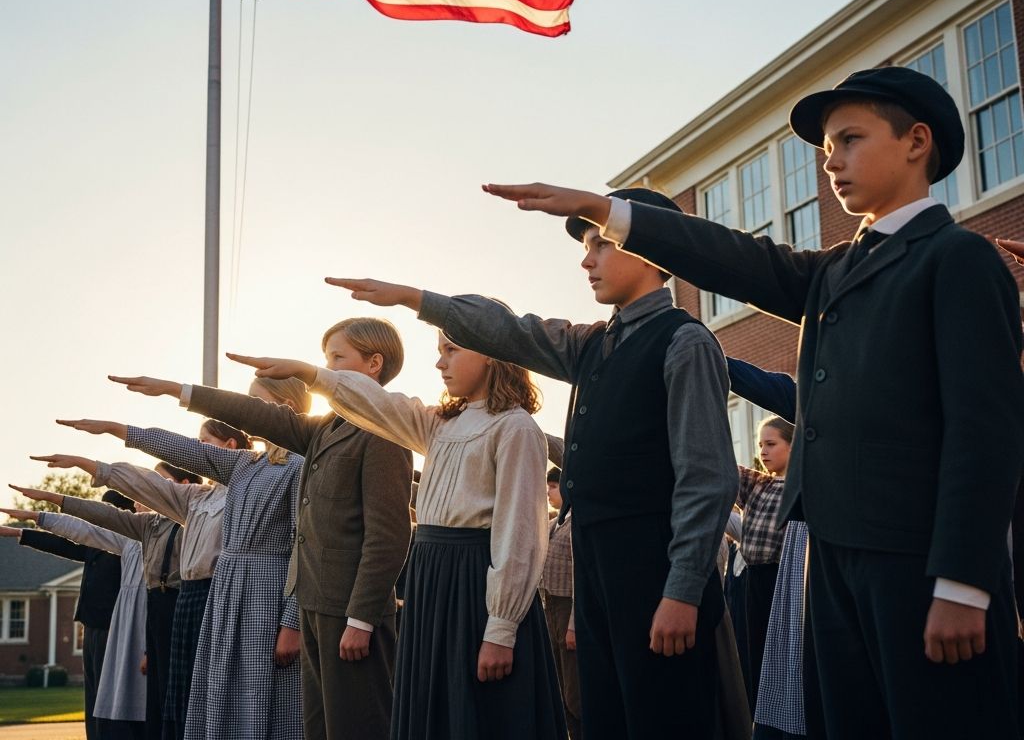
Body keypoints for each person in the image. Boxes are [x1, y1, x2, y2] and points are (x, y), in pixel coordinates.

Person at [479, 65, 1024, 738]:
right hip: (830, 557)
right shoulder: (832, 271)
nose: (833, 163)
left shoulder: (958, 258)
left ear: (916, 142)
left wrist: (964, 582)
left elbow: (985, 430)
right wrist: (608, 211)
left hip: (918, 563)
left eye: (850, 140)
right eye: (826, 151)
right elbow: (736, 257)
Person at [321, 187, 737, 740]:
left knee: (667, 717)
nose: (586, 260)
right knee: (605, 720)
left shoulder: (684, 342)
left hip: (653, 567)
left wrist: (682, 590)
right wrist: (418, 299)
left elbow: (706, 480)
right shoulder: (591, 345)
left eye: (600, 244)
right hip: (596, 567)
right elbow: (511, 331)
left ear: (650, 248)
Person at [224, 330, 567, 740]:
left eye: (452, 351)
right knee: (433, 712)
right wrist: (312, 376)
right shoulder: (439, 424)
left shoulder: (517, 428)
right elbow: (378, 403)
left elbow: (519, 536)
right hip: (432, 580)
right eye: (439, 352)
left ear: (492, 352)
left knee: (481, 714)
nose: (441, 363)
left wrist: (501, 629)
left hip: (475, 583)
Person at [107, 318, 412, 740]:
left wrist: (361, 619)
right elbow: (254, 415)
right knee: (319, 727)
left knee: (359, 725)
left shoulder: (385, 429)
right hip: (312, 603)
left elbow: (389, 535)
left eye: (337, 358)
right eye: (326, 359)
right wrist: (180, 392)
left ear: (374, 363)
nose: (327, 368)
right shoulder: (327, 427)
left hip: (348, 611)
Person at [61, 380, 307, 740]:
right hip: (226, 593)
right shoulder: (244, 463)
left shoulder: (301, 468)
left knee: (261, 697)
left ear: (284, 407)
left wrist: (292, 621)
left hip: (266, 593)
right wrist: (121, 432)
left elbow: (306, 546)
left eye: (255, 401)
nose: (245, 409)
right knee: (220, 696)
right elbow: (185, 450)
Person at [4, 496, 148, 739]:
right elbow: (63, 545)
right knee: (92, 698)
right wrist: (19, 534)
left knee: (109, 699)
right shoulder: (95, 541)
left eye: (108, 509)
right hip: (91, 626)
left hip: (114, 629)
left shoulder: (128, 541)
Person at [735, 415, 793, 709]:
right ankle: (763, 712)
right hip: (753, 579)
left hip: (784, 579)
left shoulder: (801, 488)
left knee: (784, 652)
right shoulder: (758, 484)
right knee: (756, 648)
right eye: (760, 445)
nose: (763, 451)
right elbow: (721, 467)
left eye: (771, 444)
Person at [540, 466, 581, 740]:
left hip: (568, 609)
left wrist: (574, 623)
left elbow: (582, 573)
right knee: (560, 689)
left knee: (575, 693)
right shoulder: (556, 523)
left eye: (553, 486)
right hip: (551, 608)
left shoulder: (579, 523)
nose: (549, 492)